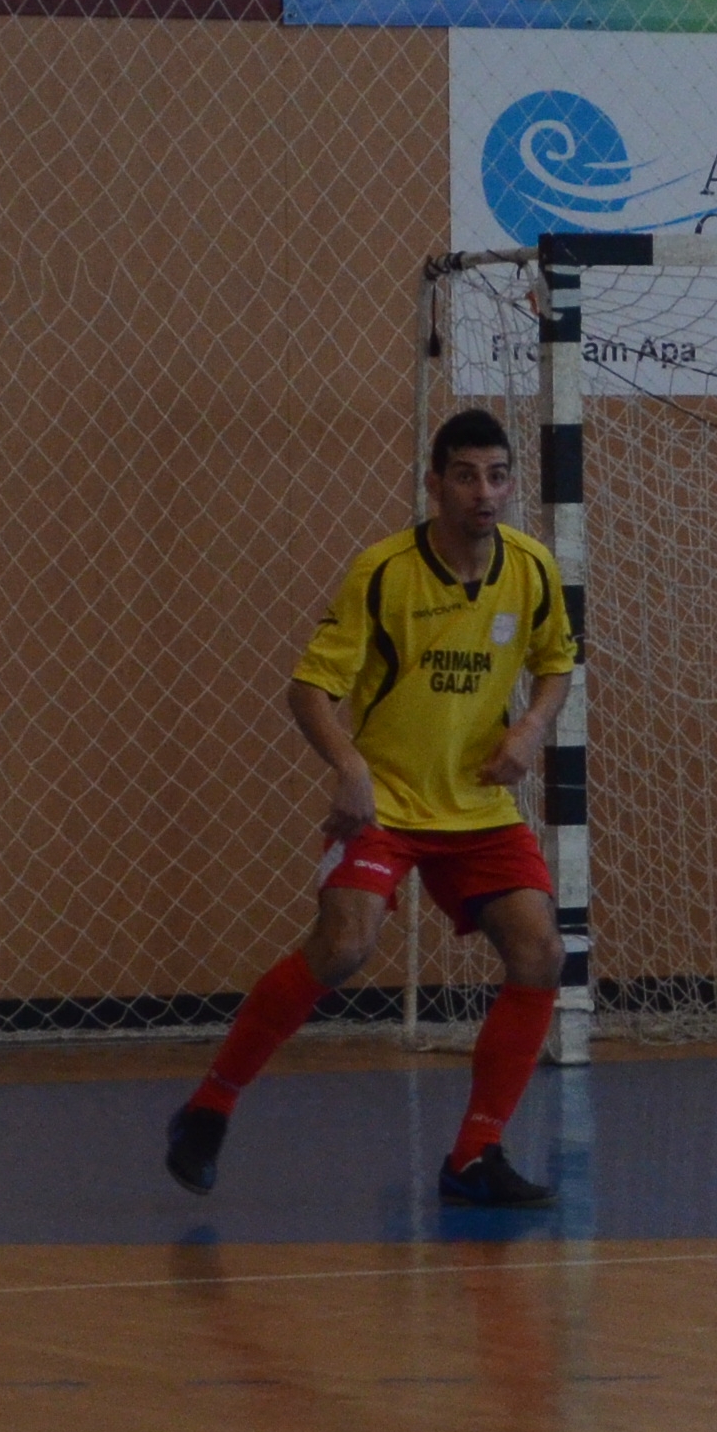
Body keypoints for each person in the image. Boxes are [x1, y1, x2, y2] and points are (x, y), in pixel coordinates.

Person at [168, 409, 573, 1209]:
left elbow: (557, 663)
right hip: (385, 803)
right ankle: (209, 1106)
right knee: (345, 946)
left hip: (479, 809)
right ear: (433, 484)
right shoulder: (383, 572)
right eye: (464, 476)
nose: (483, 493)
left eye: (497, 475)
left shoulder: (531, 569)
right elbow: (308, 689)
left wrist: (528, 727)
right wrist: (349, 766)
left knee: (542, 956)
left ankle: (474, 1155)